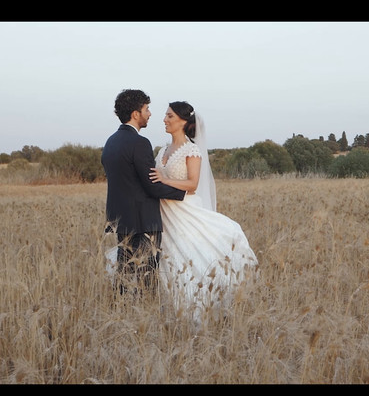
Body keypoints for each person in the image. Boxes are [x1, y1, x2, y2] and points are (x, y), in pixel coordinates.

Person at [148, 101, 258, 325]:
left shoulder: (192, 150)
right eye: (165, 116)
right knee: (168, 262)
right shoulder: (161, 151)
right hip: (163, 214)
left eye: (169, 116)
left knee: (187, 258)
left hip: (183, 210)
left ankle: (197, 311)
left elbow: (192, 184)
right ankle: (168, 314)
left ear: (183, 121)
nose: (164, 120)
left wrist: (164, 179)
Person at [101, 89, 186, 295]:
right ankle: (145, 311)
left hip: (120, 221)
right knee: (147, 277)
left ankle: (123, 313)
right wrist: (183, 194)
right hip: (143, 221)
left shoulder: (110, 142)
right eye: (147, 109)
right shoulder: (139, 143)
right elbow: (151, 185)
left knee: (124, 275)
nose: (149, 114)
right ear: (135, 114)